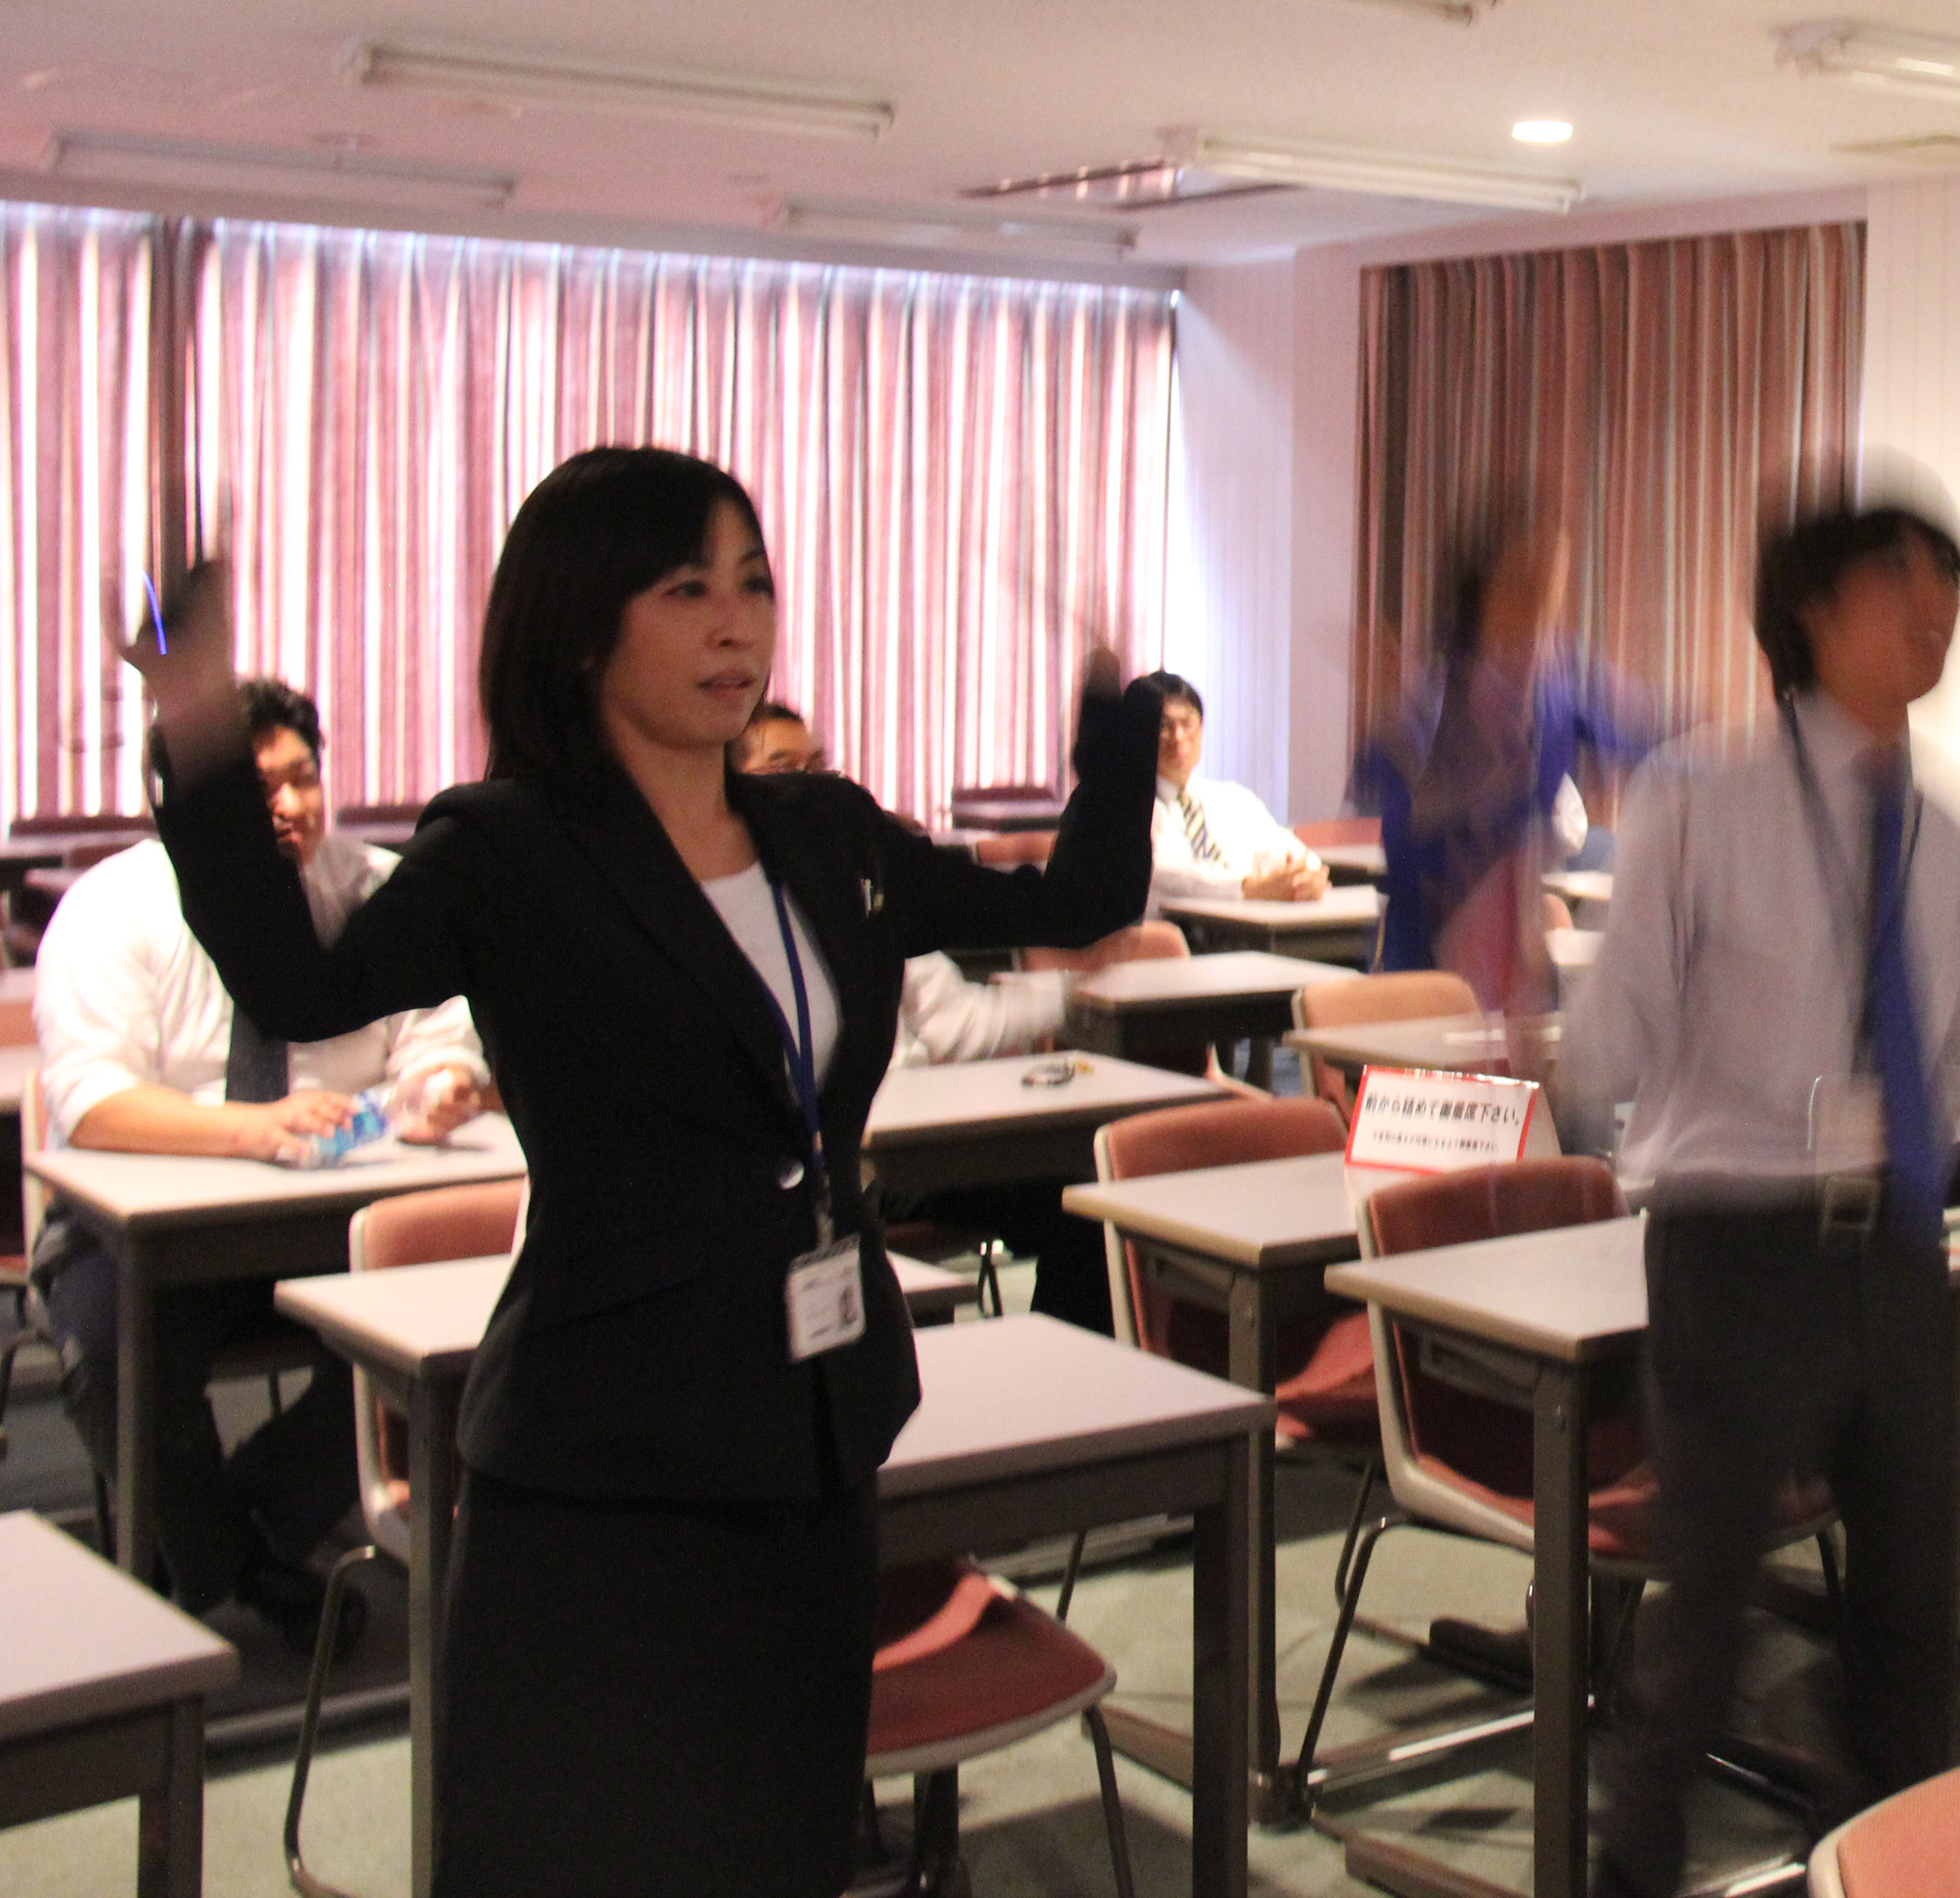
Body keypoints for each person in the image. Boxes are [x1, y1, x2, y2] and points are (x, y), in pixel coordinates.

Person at [128, 447, 1156, 1898]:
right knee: (597, 1846)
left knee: (784, 1832)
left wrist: (1112, 715)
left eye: (756, 584)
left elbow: (1079, 900)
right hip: (608, 1460)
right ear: (583, 621)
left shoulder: (823, 832)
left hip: (813, 1430)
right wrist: (191, 712)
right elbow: (302, 982)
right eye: (688, 590)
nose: (739, 626)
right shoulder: (510, 852)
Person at [1561, 492, 1960, 1898]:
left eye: (1949, 582)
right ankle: (1633, 1867)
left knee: (1912, 1612)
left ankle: (1887, 1863)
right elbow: (1619, 1024)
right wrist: (1546, 1059)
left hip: (1897, 1253)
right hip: (1737, 1248)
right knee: (1706, 1607)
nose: (1933, 606)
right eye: (1900, 577)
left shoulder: (1949, 840)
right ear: (1811, 609)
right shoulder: (1700, 793)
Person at [30, 677, 490, 1637]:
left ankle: (238, 1534)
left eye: (303, 778)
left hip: (331, 1216)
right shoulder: (114, 907)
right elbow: (93, 1102)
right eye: (257, 791)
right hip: (146, 1230)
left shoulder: (376, 889)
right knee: (109, 1347)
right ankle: (235, 1567)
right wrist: (258, 1126)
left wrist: (437, 1086)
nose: (290, 808)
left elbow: (434, 1037)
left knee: (452, 1324)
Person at [726, 704, 1111, 1329]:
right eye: (782, 767)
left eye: (816, 765)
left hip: (920, 1151)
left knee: (1083, 1207)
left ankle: (1055, 1374)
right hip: (823, 1168)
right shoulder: (731, 904)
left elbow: (956, 1023)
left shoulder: (861, 882)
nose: (808, 782)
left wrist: (1068, 991)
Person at [1355, 498, 1647, 1009]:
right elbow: (1397, 807)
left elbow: (1643, 737)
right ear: (1487, 584)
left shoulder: (1562, 684)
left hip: (1518, 968)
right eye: (1525, 580)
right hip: (1433, 954)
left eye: (1551, 584)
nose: (1543, 604)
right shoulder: (1436, 695)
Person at [1138, 671, 1330, 906]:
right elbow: (1169, 873)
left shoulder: (1230, 798)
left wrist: (1304, 876)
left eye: (1187, 723)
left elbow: (1283, 849)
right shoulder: (1128, 807)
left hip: (1252, 928)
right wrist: (1248, 888)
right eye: (1164, 726)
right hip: (1182, 935)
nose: (1178, 737)